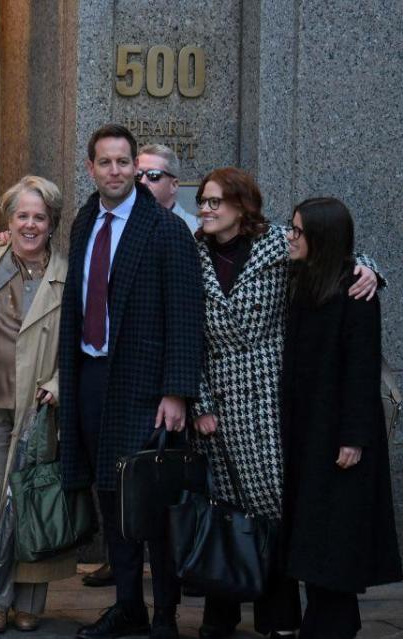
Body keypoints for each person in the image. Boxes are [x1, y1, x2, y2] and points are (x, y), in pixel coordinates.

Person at [190, 168, 380, 639]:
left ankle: (280, 618)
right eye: (203, 202)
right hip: (218, 395)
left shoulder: (277, 242)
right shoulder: (189, 252)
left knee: (277, 509)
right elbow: (185, 332)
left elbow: (340, 255)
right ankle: (224, 609)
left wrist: (374, 272)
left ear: (242, 206)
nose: (207, 210)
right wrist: (199, 403)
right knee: (227, 505)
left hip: (275, 397)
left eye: (217, 202)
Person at [58, 123, 204, 639]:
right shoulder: (82, 223)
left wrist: (177, 392)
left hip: (148, 389)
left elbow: (187, 316)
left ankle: (164, 613)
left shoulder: (164, 228)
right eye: (106, 163)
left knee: (155, 503)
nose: (116, 171)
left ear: (135, 168)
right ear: (91, 167)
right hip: (93, 377)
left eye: (125, 163)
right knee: (111, 498)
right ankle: (128, 606)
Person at [0, 176, 72, 634]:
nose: (29, 225)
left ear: (52, 223)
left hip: (37, 409)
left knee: (31, 503)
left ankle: (29, 602)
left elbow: (82, 341)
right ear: (7, 220)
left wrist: (61, 382)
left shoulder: (66, 273)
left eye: (39, 217)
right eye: (21, 215)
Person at [281, 197, 401, 638]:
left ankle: (332, 622)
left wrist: (354, 437)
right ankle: (327, 619)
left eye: (297, 231)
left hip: (338, 435)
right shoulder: (299, 278)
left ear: (321, 238)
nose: (290, 237)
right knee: (314, 529)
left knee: (334, 531)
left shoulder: (354, 289)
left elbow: (361, 368)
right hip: (305, 429)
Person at [136, 144, 197, 231]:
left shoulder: (194, 229)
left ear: (174, 185)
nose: (142, 182)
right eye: (138, 175)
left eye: (153, 175)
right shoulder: (122, 224)